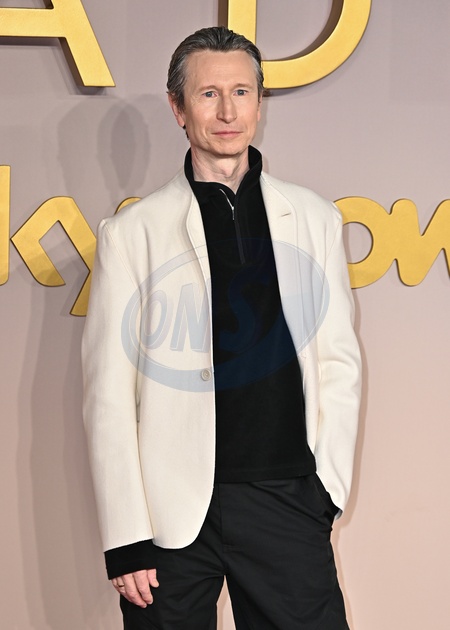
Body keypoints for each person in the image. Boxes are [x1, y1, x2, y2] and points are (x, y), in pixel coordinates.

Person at [82, 25, 362, 630]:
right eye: (209, 94)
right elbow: (108, 396)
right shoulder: (133, 234)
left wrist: (327, 490)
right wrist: (126, 536)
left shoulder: (313, 218)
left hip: (288, 498)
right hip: (171, 517)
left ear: (259, 102)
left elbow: (338, 361)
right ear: (178, 108)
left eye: (241, 92)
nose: (228, 112)